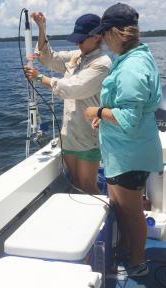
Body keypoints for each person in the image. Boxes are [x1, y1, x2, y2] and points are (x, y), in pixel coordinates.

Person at [85, 3, 163, 278]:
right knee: (124, 207)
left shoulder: (131, 66)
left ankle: (138, 263)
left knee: (131, 213)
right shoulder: (134, 56)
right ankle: (131, 253)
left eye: (105, 34)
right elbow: (127, 108)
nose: (103, 40)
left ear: (116, 33)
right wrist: (105, 117)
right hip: (124, 152)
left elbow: (129, 119)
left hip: (130, 153)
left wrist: (98, 111)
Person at [24, 12, 111, 195]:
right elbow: (48, 58)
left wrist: (41, 78)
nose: (77, 44)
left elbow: (74, 88)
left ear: (97, 37)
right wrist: (42, 28)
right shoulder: (78, 55)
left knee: (88, 185)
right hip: (69, 132)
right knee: (75, 181)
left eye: (81, 40)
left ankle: (101, 220)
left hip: (88, 135)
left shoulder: (102, 63)